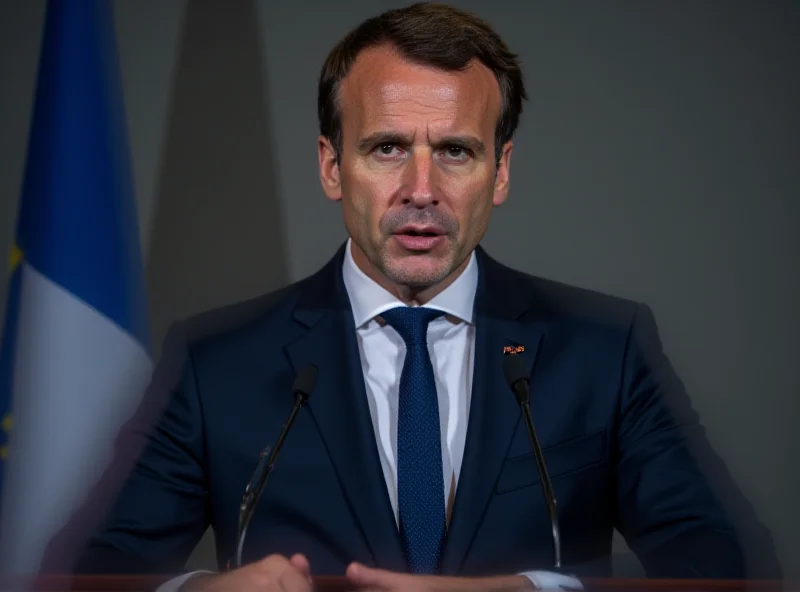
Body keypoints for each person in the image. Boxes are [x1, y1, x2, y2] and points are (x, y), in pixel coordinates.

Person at [71, 3, 779, 590]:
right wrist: (197, 591)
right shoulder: (215, 360)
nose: (420, 189)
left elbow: (731, 567)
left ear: (499, 171)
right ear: (330, 165)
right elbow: (96, 575)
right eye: (386, 148)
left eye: (455, 151)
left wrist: (537, 590)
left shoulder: (605, 348)